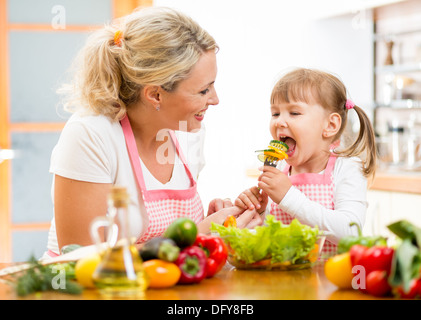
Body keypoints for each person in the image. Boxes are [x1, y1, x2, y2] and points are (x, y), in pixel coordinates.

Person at [44, 7, 262, 258]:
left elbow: (171, 237)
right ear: (155, 94)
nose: (215, 100)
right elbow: (79, 258)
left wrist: (211, 219)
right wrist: (197, 236)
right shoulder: (91, 135)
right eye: (203, 91)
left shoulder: (188, 133)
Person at [235, 68, 377, 256]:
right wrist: (258, 214)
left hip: (331, 282)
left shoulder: (347, 168)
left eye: (294, 113)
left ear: (330, 125)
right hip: (283, 281)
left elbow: (351, 232)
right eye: (275, 114)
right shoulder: (280, 168)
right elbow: (271, 238)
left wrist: (288, 197)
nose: (279, 122)